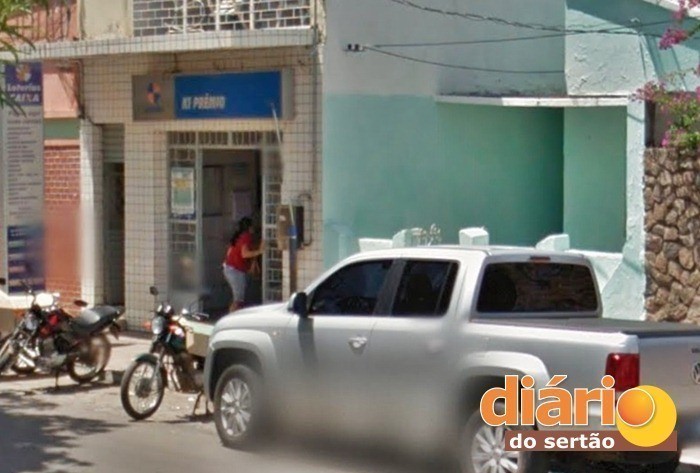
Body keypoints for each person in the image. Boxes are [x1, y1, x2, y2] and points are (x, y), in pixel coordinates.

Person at [223, 217, 264, 312]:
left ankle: (233, 315)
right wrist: (260, 251)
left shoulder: (238, 236)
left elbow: (230, 251)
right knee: (238, 299)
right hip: (235, 270)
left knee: (238, 297)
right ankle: (231, 317)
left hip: (231, 269)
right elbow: (244, 254)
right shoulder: (246, 237)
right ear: (250, 227)